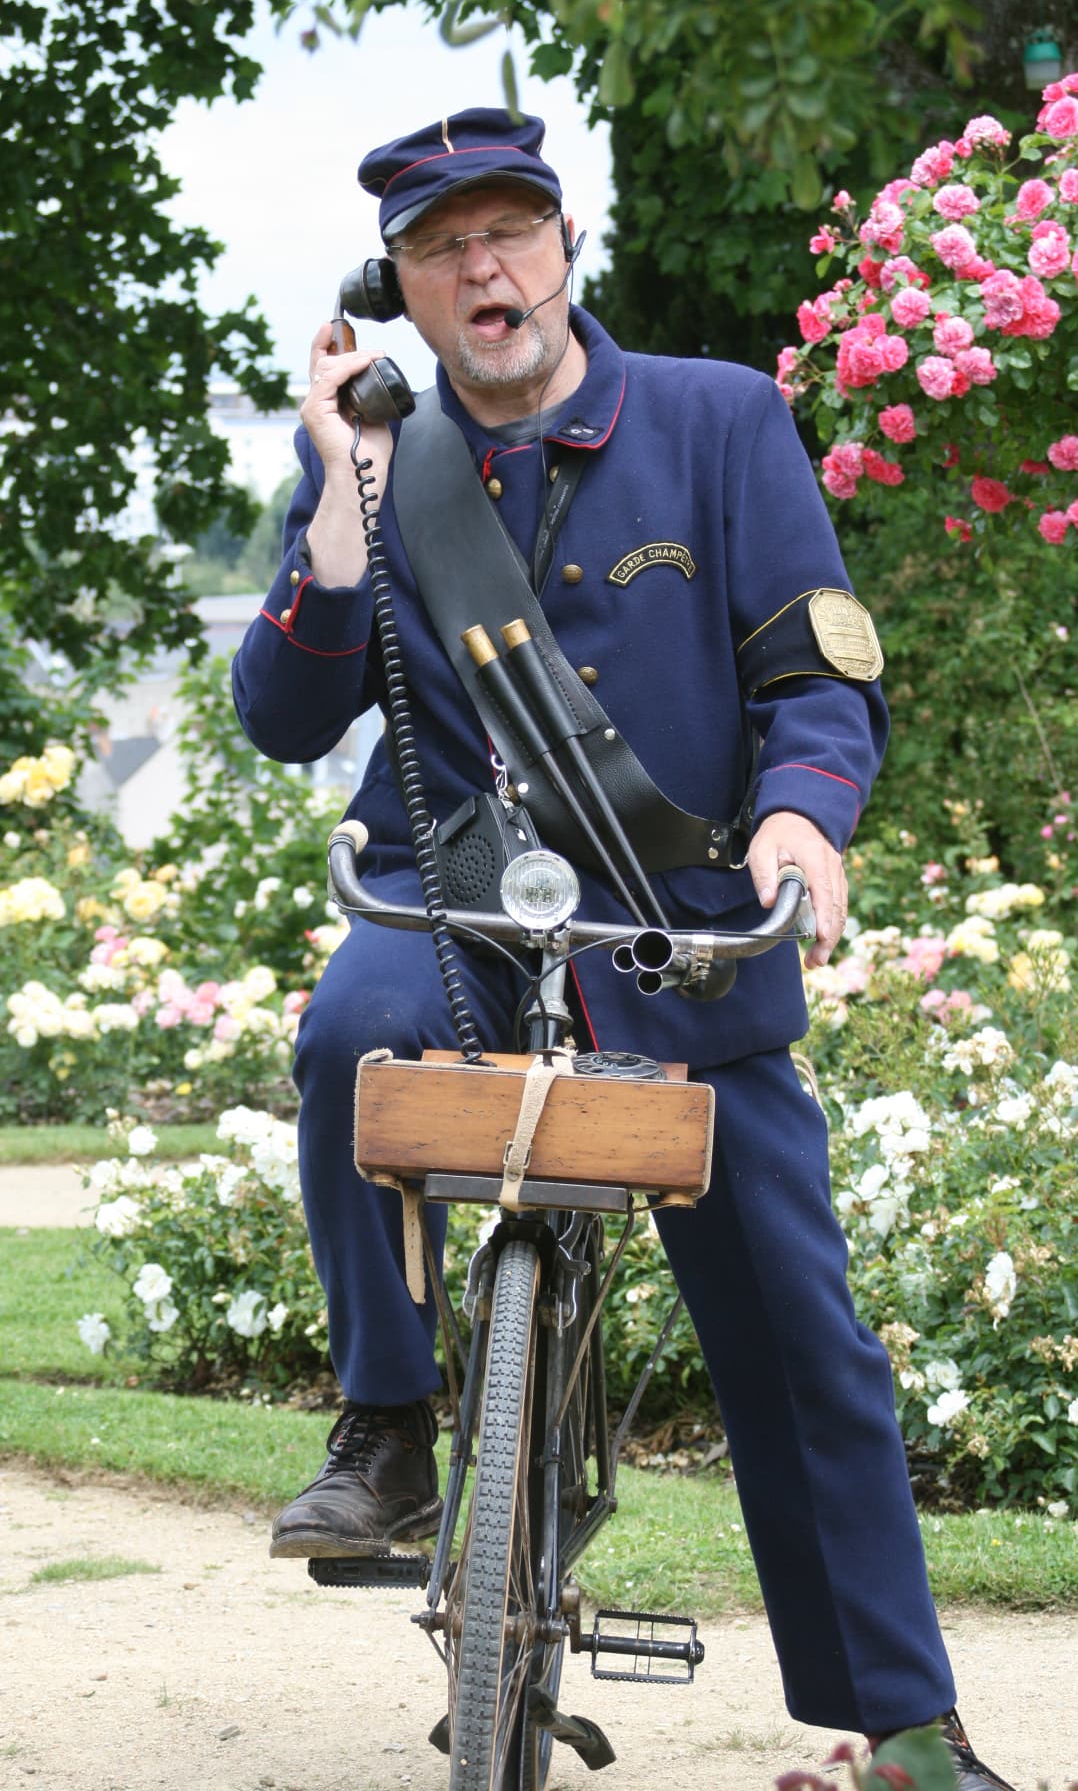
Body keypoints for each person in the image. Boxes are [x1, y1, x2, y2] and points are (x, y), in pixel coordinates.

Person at [232, 109, 1016, 1790]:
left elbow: (815, 670)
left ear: (563, 244)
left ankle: (905, 1729)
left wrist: (801, 819)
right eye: (443, 248)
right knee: (344, 1040)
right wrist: (340, 517)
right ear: (398, 288)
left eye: (508, 231)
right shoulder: (377, 457)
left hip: (679, 931)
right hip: (452, 903)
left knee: (803, 1334)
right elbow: (284, 716)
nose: (483, 269)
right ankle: (387, 1425)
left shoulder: (715, 418)